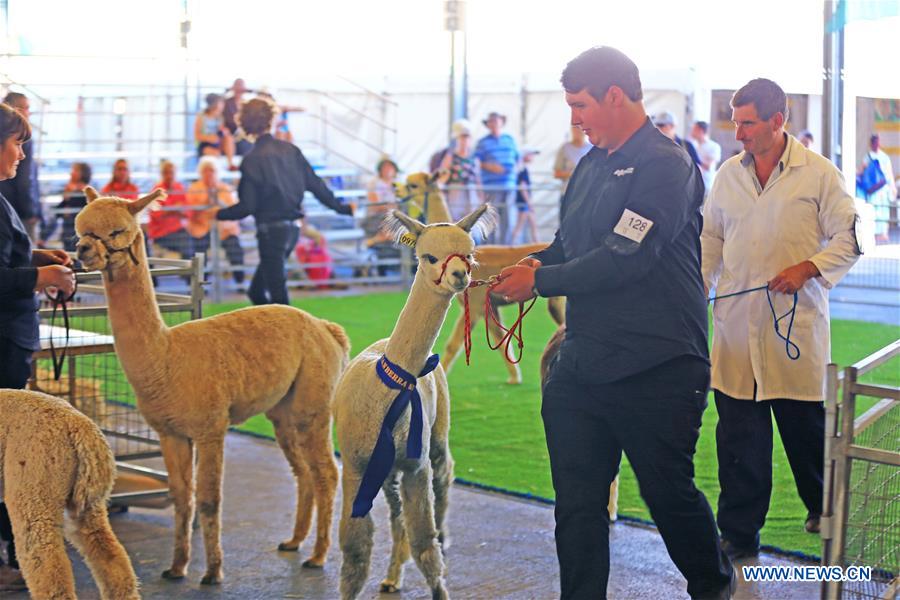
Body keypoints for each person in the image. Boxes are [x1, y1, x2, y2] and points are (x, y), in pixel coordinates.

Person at [492, 46, 734, 600]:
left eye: (580, 106)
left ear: (616, 96)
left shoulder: (666, 165)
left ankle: (714, 587)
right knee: (577, 505)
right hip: (582, 362)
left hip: (659, 364)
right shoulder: (591, 163)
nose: (575, 120)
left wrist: (542, 282)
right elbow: (570, 244)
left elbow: (626, 253)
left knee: (666, 493)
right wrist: (535, 266)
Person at [701, 78, 859, 561]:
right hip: (734, 331)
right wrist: (694, 291)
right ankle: (740, 536)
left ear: (777, 121)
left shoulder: (819, 174)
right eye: (735, 121)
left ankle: (825, 515)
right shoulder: (728, 174)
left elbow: (849, 239)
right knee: (738, 448)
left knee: (808, 439)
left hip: (795, 329)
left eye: (747, 122)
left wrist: (807, 267)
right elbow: (710, 239)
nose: (738, 132)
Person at [0, 102, 76, 593]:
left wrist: (38, 257)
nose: (22, 154)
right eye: (16, 142)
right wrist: (40, 276)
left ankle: (14, 547)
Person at [215, 96, 353, 305]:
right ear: (271, 119)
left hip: (270, 232)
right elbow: (317, 186)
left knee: (279, 298)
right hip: (292, 231)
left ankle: (288, 336)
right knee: (257, 293)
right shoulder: (291, 151)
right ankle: (270, 336)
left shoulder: (251, 160)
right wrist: (342, 209)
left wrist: (217, 213)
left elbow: (247, 207)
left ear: (244, 124)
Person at [186, 157, 245, 285]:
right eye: (205, 171)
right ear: (201, 173)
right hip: (201, 228)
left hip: (224, 229)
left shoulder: (225, 188)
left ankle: (240, 281)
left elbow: (233, 210)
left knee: (235, 248)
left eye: (212, 170)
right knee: (200, 253)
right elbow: (190, 212)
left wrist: (219, 202)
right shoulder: (194, 188)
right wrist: (205, 201)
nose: (209, 174)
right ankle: (201, 284)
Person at [0, 92, 41, 243]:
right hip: (19, 210)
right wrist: (30, 211)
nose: (21, 154)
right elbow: (26, 180)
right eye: (18, 145)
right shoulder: (20, 134)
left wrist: (38, 257)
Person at [475, 111, 520, 241]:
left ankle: (506, 248)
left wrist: (515, 171)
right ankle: (491, 248)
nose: (494, 123)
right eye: (491, 121)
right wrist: (490, 167)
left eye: (496, 120)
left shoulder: (510, 140)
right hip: (491, 187)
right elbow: (476, 163)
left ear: (502, 122)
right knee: (491, 219)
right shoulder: (482, 142)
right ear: (487, 124)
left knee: (508, 220)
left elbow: (518, 159)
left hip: (509, 187)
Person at [438, 118, 483, 221]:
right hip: (455, 193)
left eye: (467, 137)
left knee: (472, 222)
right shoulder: (450, 157)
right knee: (455, 221)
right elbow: (442, 176)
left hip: (472, 194)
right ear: (457, 138)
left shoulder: (474, 159)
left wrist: (481, 197)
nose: (465, 140)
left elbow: (478, 180)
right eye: (462, 137)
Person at [41, 162, 92, 251]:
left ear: (83, 173)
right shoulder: (69, 188)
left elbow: (77, 211)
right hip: (67, 233)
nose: (71, 173)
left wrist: (70, 195)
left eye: (75, 170)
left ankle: (43, 238)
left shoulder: (87, 191)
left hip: (77, 234)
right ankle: (43, 239)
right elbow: (60, 211)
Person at [149, 160, 193, 259]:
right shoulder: (156, 191)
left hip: (177, 231)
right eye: (166, 173)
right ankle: (188, 273)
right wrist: (174, 210)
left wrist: (173, 211)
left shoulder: (179, 187)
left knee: (191, 240)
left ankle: (190, 272)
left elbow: (188, 212)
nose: (169, 176)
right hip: (161, 234)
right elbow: (156, 215)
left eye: (171, 172)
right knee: (186, 243)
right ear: (161, 174)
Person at [858, 133, 897, 241]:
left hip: (878, 190)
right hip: (877, 190)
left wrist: (892, 187)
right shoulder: (870, 156)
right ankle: (878, 234)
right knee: (876, 210)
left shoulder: (880, 157)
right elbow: (889, 175)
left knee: (880, 211)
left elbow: (889, 174)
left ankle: (881, 234)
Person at [194, 93, 237, 171]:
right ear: (215, 103)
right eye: (221, 102)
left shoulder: (220, 117)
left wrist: (224, 132)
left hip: (218, 142)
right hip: (205, 145)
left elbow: (221, 132)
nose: (223, 105)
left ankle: (230, 164)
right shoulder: (201, 117)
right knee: (215, 153)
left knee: (229, 138)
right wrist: (208, 138)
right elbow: (197, 136)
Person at [509, 149, 539, 244]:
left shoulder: (521, 168)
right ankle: (512, 245)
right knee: (521, 225)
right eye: (531, 154)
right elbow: (523, 187)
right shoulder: (522, 169)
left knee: (532, 225)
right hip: (524, 202)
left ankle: (538, 245)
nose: (532, 157)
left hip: (523, 202)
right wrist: (529, 202)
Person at [553, 125, 592, 199]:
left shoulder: (592, 149)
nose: (577, 131)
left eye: (580, 128)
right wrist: (576, 173)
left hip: (587, 194)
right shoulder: (564, 148)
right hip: (568, 193)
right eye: (575, 128)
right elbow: (556, 173)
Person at [223, 78, 254, 155]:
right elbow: (220, 119)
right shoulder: (226, 102)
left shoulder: (248, 104)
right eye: (237, 87)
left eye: (241, 88)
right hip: (229, 133)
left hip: (244, 135)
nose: (239, 90)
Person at [690, 121, 722, 193]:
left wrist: (695, 160)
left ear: (700, 131)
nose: (692, 131)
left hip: (706, 185)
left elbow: (709, 167)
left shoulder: (714, 146)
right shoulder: (693, 145)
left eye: (694, 129)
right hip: (693, 185)